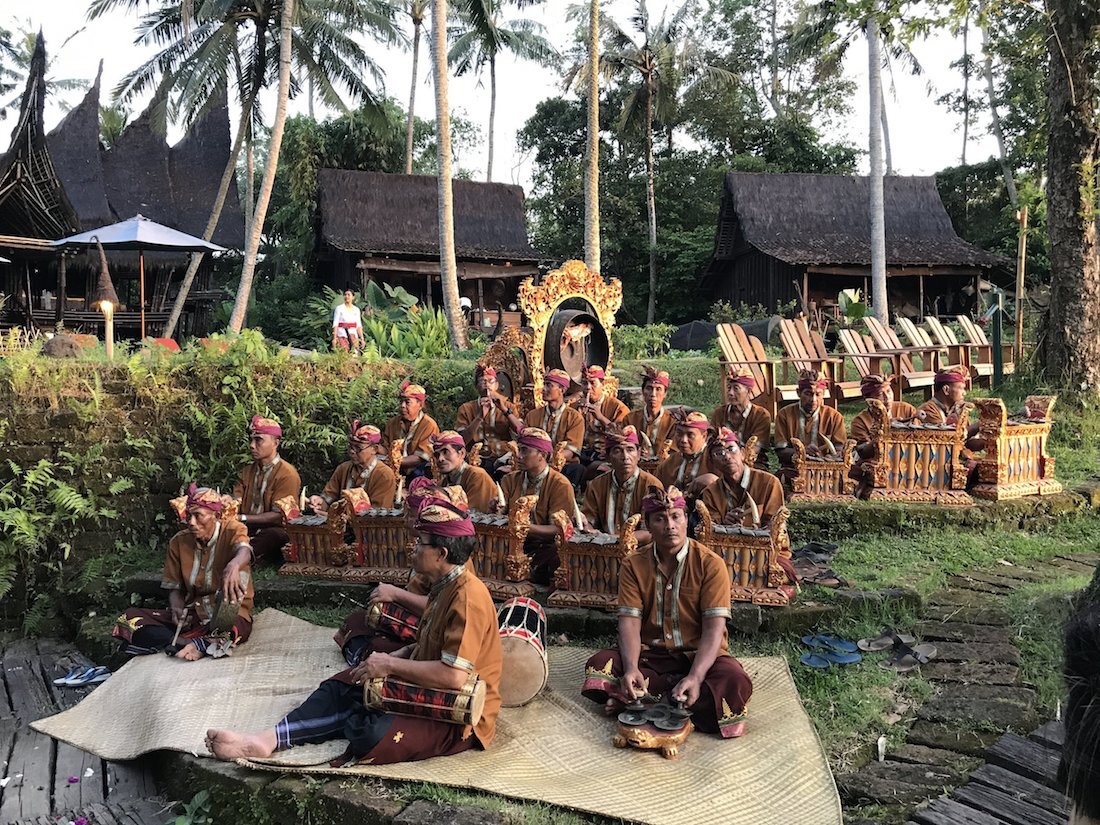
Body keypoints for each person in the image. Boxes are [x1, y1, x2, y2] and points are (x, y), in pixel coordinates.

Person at [205, 490, 502, 765]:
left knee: (369, 733)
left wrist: (390, 664)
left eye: (420, 543)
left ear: (442, 554)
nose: (413, 547)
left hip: (458, 714)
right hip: (427, 679)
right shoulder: (444, 584)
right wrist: (399, 654)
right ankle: (266, 740)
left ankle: (333, 722)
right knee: (344, 684)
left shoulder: (467, 598)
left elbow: (453, 676)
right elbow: (428, 641)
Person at [580, 485, 753, 739]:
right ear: (648, 526)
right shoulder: (633, 564)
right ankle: (673, 702)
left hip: (698, 657)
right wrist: (630, 668)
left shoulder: (711, 564)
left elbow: (715, 630)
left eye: (676, 517)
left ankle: (641, 701)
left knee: (734, 682)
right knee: (600, 666)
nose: (669, 525)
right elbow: (629, 623)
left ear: (687, 520)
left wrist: (695, 675)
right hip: (650, 658)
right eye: (660, 519)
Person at [113, 485, 253, 660]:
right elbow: (174, 587)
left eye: (198, 515)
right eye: (189, 515)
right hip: (195, 615)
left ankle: (200, 641)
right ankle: (187, 642)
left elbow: (244, 550)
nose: (191, 522)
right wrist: (177, 609)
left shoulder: (233, 529)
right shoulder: (178, 542)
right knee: (129, 619)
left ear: (215, 516)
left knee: (232, 621)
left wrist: (234, 565)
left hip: (227, 612)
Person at [497, 427, 578, 585]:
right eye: (519, 450)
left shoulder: (560, 484)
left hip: (543, 545)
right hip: (511, 543)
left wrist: (523, 527)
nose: (519, 456)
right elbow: (500, 515)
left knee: (557, 553)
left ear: (543, 454)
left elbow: (560, 529)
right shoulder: (509, 479)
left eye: (525, 451)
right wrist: (496, 510)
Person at [233, 415, 302, 564]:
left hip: (273, 530)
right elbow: (236, 500)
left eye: (258, 440)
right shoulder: (246, 471)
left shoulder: (287, 474)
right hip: (244, 526)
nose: (252, 445)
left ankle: (243, 557)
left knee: (274, 535)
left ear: (275, 443)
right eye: (251, 440)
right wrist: (227, 505)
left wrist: (243, 518)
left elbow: (279, 516)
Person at [580, 424, 662, 544]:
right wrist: (586, 526)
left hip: (640, 551)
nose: (625, 457)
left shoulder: (652, 486)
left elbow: (650, 532)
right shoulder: (596, 485)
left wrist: (612, 539)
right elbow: (589, 523)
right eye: (617, 451)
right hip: (603, 548)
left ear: (638, 454)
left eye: (630, 450)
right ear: (607, 457)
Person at [507, 369, 585, 487]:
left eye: (549, 385)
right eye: (544, 384)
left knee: (577, 469)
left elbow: (571, 451)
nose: (543, 388)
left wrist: (548, 459)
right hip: (533, 462)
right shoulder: (533, 415)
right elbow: (525, 442)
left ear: (562, 390)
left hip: (561, 464)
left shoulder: (575, 418)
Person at [700, 428, 786, 527]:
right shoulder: (710, 492)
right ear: (712, 462)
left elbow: (776, 524)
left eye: (731, 449)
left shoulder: (769, 483)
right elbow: (710, 529)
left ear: (742, 453)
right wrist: (725, 523)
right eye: (719, 453)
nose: (727, 456)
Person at [309, 421, 396, 513]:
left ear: (374, 449)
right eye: (350, 446)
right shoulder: (343, 468)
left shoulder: (384, 475)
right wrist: (319, 503)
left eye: (358, 448)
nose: (352, 451)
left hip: (368, 526)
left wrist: (339, 518)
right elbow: (328, 499)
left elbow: (377, 516)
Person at [774, 370, 846, 478]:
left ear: (824, 394)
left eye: (818, 394)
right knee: (782, 476)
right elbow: (781, 451)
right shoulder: (784, 414)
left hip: (827, 470)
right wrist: (802, 452)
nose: (813, 400)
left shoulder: (834, 417)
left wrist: (831, 456)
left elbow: (839, 449)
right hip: (795, 469)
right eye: (808, 394)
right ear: (798, 393)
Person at [917, 364, 986, 474]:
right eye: (961, 388)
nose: (964, 393)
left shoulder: (957, 408)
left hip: (956, 461)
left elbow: (967, 443)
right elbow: (948, 439)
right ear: (946, 389)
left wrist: (988, 439)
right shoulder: (928, 410)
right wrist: (978, 425)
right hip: (937, 466)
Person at [453, 366, 517, 470]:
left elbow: (519, 434)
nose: (487, 385)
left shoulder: (509, 407)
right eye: (482, 381)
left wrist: (504, 410)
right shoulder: (466, 408)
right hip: (475, 458)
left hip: (503, 457)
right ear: (476, 386)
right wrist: (479, 417)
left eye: (491, 381)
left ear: (496, 385)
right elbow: (461, 441)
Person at [710, 368, 771, 469]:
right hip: (722, 461)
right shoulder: (719, 413)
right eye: (729, 388)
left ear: (749, 391)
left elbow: (754, 450)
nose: (731, 393)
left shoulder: (761, 415)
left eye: (736, 388)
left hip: (752, 464)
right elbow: (712, 444)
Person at [571, 365, 629, 469]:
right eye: (584, 383)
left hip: (604, 454)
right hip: (580, 452)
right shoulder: (576, 406)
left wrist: (601, 417)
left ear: (602, 384)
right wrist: (574, 412)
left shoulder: (617, 407)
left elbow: (623, 436)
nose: (588, 387)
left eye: (592, 383)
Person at [383, 381, 440, 480]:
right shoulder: (392, 423)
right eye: (401, 401)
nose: (402, 405)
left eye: (407, 402)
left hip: (417, 471)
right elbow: (385, 448)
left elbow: (420, 457)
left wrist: (395, 462)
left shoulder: (429, 425)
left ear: (420, 405)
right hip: (392, 467)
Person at [430, 430, 498, 512]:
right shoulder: (443, 482)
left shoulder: (477, 475)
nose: (440, 459)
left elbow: (469, 514)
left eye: (445, 452)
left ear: (461, 453)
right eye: (437, 455)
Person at [655, 410, 717, 490]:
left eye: (690, 435)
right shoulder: (668, 464)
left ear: (704, 436)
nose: (683, 440)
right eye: (679, 434)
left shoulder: (715, 460)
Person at [625, 367, 675, 461]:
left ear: (665, 394)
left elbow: (674, 455)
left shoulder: (672, 422)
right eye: (649, 388)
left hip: (662, 469)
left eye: (658, 389)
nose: (653, 394)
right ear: (643, 391)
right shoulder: (630, 419)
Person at [331, 289, 363, 355]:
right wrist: (334, 338)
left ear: (353, 297)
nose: (347, 296)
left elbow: (358, 325)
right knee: (343, 354)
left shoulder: (356, 310)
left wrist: (362, 339)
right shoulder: (339, 308)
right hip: (342, 334)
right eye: (345, 295)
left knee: (354, 354)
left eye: (349, 295)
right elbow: (335, 323)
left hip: (353, 334)